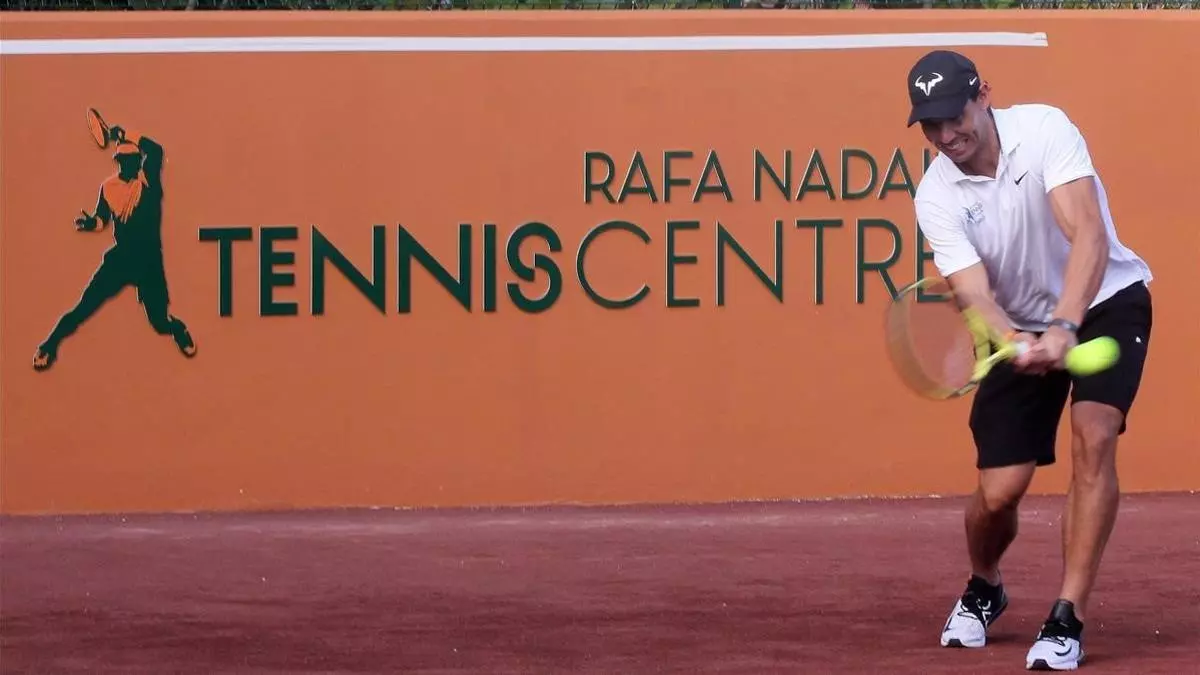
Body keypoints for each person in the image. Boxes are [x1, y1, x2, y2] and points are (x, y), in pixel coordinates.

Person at [904, 50, 1154, 671]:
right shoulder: (935, 195)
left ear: (983, 95)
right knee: (999, 493)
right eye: (931, 125)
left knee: (1094, 436)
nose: (946, 136)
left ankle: (1067, 616)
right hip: (1019, 321)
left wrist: (1066, 324)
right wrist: (1014, 340)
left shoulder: (1045, 129)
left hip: (1105, 301)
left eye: (954, 117)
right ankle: (985, 583)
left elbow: (1088, 232)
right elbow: (974, 294)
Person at [33, 122, 196, 372]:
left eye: (133, 160)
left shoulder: (148, 182)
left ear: (138, 161)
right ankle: (48, 346)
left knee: (160, 322)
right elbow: (102, 219)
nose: (129, 164)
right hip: (121, 259)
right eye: (124, 160)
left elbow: (156, 150)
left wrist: (125, 133)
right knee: (83, 307)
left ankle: (177, 329)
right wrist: (92, 223)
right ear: (118, 161)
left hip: (149, 261)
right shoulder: (108, 187)